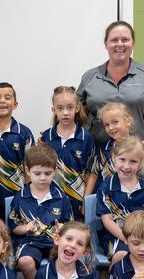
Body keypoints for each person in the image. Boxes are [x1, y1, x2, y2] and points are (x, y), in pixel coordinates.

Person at [77, 21, 144, 163]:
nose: (119, 44)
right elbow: (77, 115)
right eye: (114, 40)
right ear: (105, 44)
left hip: (137, 156)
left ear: (133, 43)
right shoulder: (90, 77)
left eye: (125, 39)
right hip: (97, 157)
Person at [95, 136, 144, 266]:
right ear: (114, 157)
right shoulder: (106, 188)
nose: (126, 166)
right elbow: (107, 220)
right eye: (122, 159)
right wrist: (128, 239)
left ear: (140, 163)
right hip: (117, 236)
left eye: (133, 161)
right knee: (121, 256)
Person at [9, 143, 73, 279]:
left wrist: (63, 229)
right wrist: (25, 228)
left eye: (48, 173)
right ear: (27, 170)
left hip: (54, 242)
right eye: (37, 173)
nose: (42, 178)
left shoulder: (61, 198)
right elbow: (13, 227)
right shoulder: (20, 197)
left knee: (69, 258)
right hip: (29, 242)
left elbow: (71, 226)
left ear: (55, 171)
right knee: (25, 261)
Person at [40, 86, 95, 220]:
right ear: (54, 110)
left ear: (77, 108)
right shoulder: (46, 137)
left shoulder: (86, 138)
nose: (65, 113)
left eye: (70, 108)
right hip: (51, 198)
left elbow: (90, 172)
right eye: (60, 108)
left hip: (77, 200)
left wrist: (85, 201)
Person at [0, 82, 35, 218]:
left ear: (15, 104)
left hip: (17, 196)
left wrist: (29, 194)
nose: (2, 101)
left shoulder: (24, 133)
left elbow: (29, 165)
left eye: (7, 97)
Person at [84, 102, 134, 196]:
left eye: (115, 122)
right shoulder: (102, 151)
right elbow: (93, 175)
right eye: (106, 125)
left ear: (128, 121)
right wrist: (86, 202)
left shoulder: (137, 148)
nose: (111, 128)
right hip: (104, 201)